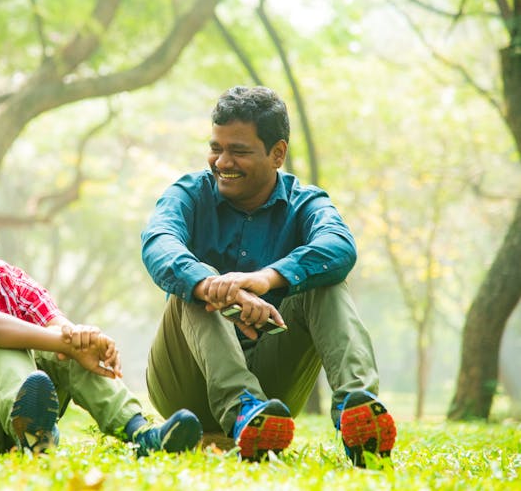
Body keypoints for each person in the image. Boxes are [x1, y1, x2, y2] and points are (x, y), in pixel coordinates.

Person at [140, 86, 396, 466]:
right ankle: (243, 409)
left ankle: (357, 413)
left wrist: (268, 278)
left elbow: (340, 246)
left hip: (273, 389)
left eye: (239, 151)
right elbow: (158, 243)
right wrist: (218, 286)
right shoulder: (189, 194)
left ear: (278, 153)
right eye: (216, 148)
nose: (222, 161)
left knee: (327, 281)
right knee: (194, 284)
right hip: (184, 383)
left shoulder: (306, 203)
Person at [0, 176, 202, 457]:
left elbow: (60, 328)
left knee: (64, 348)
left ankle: (142, 434)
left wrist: (86, 341)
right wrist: (65, 340)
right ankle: (33, 436)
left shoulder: (11, 278)